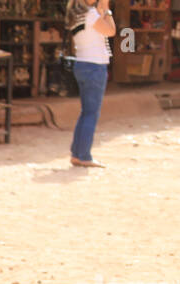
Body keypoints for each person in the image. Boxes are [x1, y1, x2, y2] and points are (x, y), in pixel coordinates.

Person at [67, 0, 114, 168]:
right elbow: (111, 31)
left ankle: (77, 154)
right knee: (91, 113)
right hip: (95, 66)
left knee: (86, 112)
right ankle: (84, 155)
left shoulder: (76, 15)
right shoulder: (90, 14)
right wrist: (107, 11)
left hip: (82, 64)